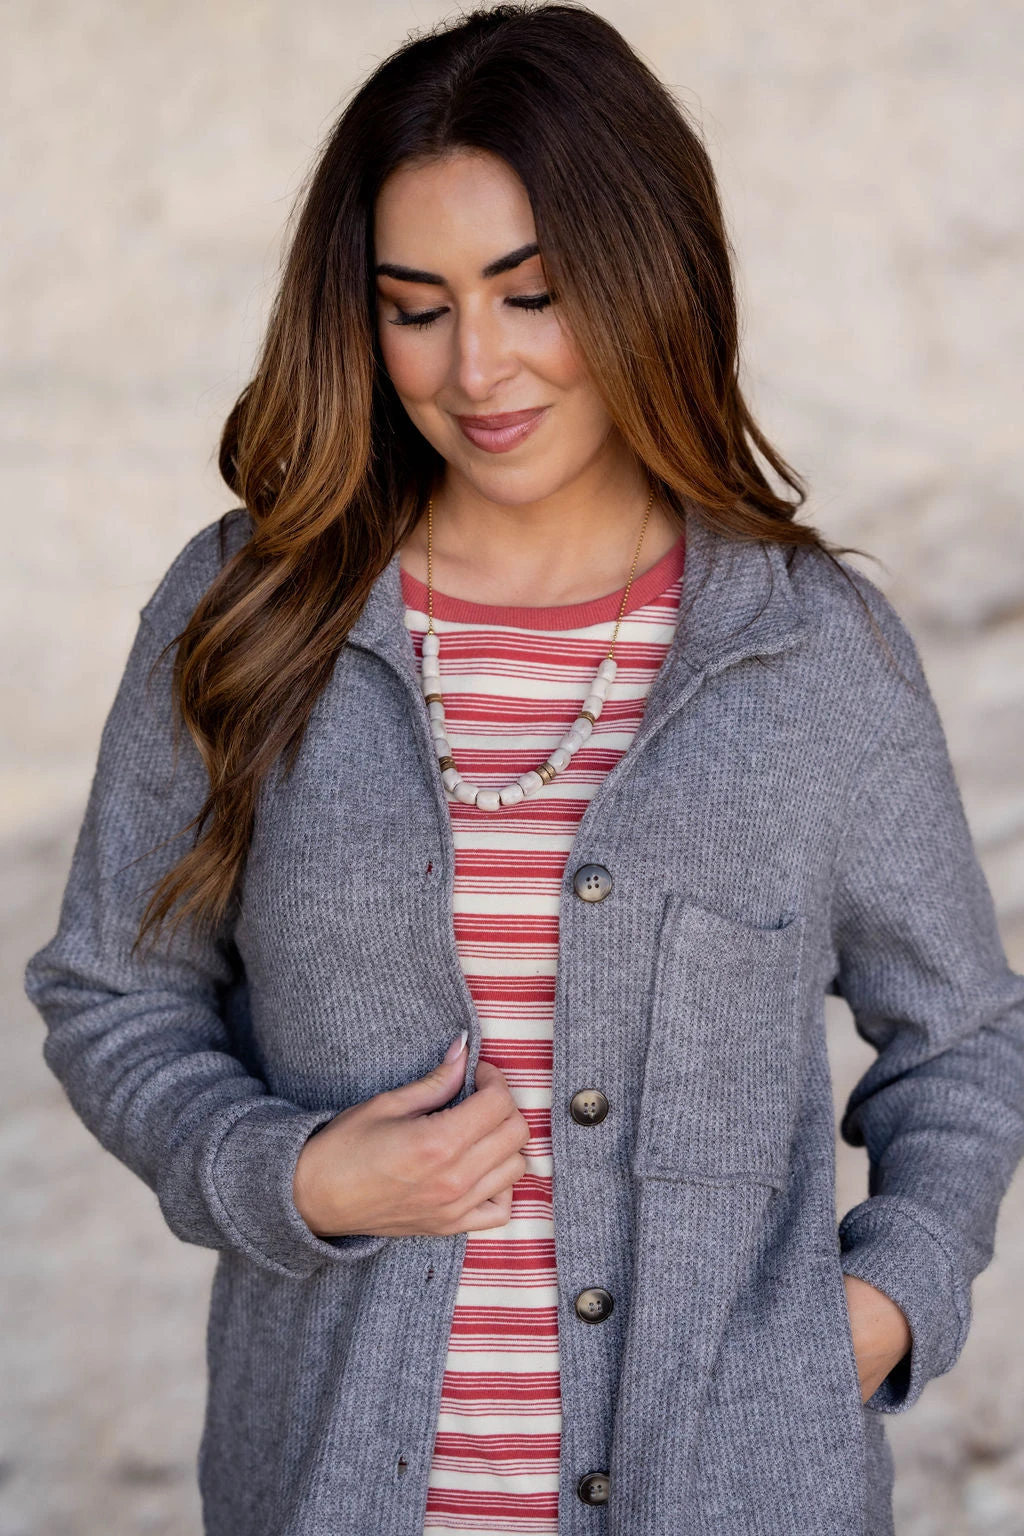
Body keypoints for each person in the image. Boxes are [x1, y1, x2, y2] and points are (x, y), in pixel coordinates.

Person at [25, 6, 1024, 1534]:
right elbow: (112, 990)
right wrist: (292, 1177)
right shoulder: (251, 614)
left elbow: (961, 1039)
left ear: (644, 274)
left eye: (531, 294)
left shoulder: (812, 652)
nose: (476, 367)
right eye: (415, 309)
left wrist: (880, 1313)